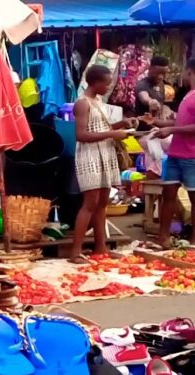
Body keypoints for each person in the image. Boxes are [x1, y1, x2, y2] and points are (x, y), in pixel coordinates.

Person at [69, 65, 135, 263]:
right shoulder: (82, 103)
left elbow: (100, 128)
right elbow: (81, 135)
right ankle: (75, 252)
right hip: (89, 156)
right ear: (95, 83)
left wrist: (121, 124)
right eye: (106, 84)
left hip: (104, 155)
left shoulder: (98, 102)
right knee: (89, 204)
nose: (108, 88)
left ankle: (101, 248)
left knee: (102, 204)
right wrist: (112, 134)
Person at [153, 59, 195, 247]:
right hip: (176, 155)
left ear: (190, 72)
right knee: (168, 194)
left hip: (191, 156)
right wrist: (161, 124)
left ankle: (194, 240)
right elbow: (182, 123)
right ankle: (163, 237)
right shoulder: (189, 95)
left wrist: (172, 130)